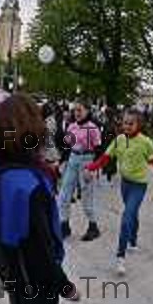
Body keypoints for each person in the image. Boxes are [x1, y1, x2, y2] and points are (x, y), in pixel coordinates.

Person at [0, 93, 78, 304]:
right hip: (36, 283)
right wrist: (66, 287)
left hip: (12, 274)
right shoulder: (28, 184)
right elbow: (41, 252)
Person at [85, 108, 153, 275]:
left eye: (131, 123)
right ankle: (133, 239)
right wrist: (90, 167)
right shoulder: (118, 140)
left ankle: (120, 257)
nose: (126, 126)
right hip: (125, 184)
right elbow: (105, 158)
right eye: (124, 122)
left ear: (139, 125)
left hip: (139, 186)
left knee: (126, 217)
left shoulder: (145, 142)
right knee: (132, 214)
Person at [57, 99, 102, 241]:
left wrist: (93, 168)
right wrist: (62, 161)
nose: (77, 113)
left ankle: (93, 226)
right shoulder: (71, 127)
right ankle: (64, 225)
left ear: (87, 111)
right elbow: (67, 146)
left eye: (80, 110)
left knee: (86, 196)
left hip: (87, 161)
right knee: (64, 194)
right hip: (72, 159)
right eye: (75, 110)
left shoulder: (93, 128)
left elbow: (99, 150)